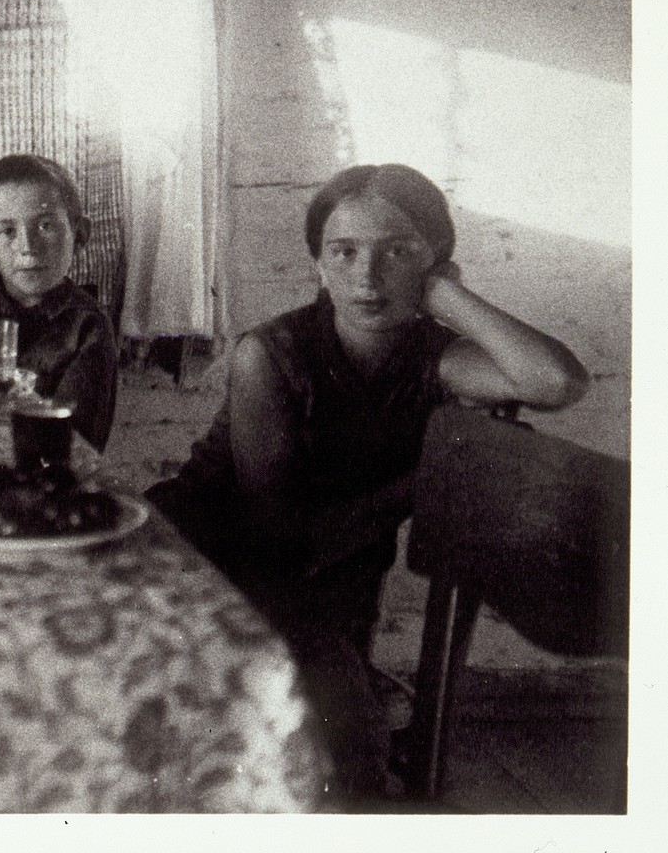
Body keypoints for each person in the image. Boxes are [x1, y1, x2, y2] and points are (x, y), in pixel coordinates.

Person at [144, 163, 589, 806]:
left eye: (397, 252)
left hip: (325, 586)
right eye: (344, 252)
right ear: (319, 266)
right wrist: (429, 475)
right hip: (204, 567)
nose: (367, 277)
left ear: (434, 262)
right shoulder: (269, 353)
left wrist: (444, 298)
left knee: (349, 758)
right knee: (318, 751)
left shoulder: (434, 358)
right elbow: (280, 546)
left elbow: (557, 383)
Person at [0, 154, 119, 449]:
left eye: (45, 226)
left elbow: (74, 448)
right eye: (7, 231)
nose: (28, 248)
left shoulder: (87, 328)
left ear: (79, 235)